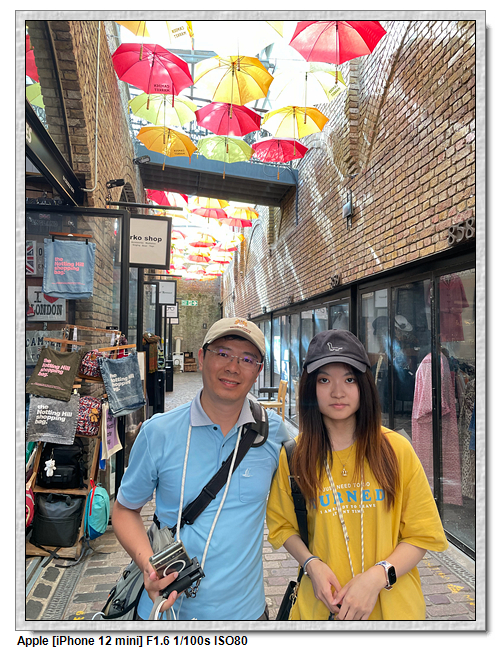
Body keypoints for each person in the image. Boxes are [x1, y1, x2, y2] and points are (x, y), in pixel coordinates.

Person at [112, 317, 290, 620]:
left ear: (258, 371)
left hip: (247, 615)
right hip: (166, 613)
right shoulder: (159, 432)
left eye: (247, 359)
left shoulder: (274, 433)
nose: (233, 367)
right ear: (202, 357)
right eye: (223, 353)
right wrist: (148, 566)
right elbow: (125, 509)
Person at [266, 329, 448, 620]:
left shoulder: (396, 450)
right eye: (324, 380)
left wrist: (378, 577)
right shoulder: (294, 455)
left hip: (394, 612)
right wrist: (311, 564)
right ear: (311, 387)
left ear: (364, 385)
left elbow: (422, 534)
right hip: (321, 609)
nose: (338, 392)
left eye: (349, 379)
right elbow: (283, 526)